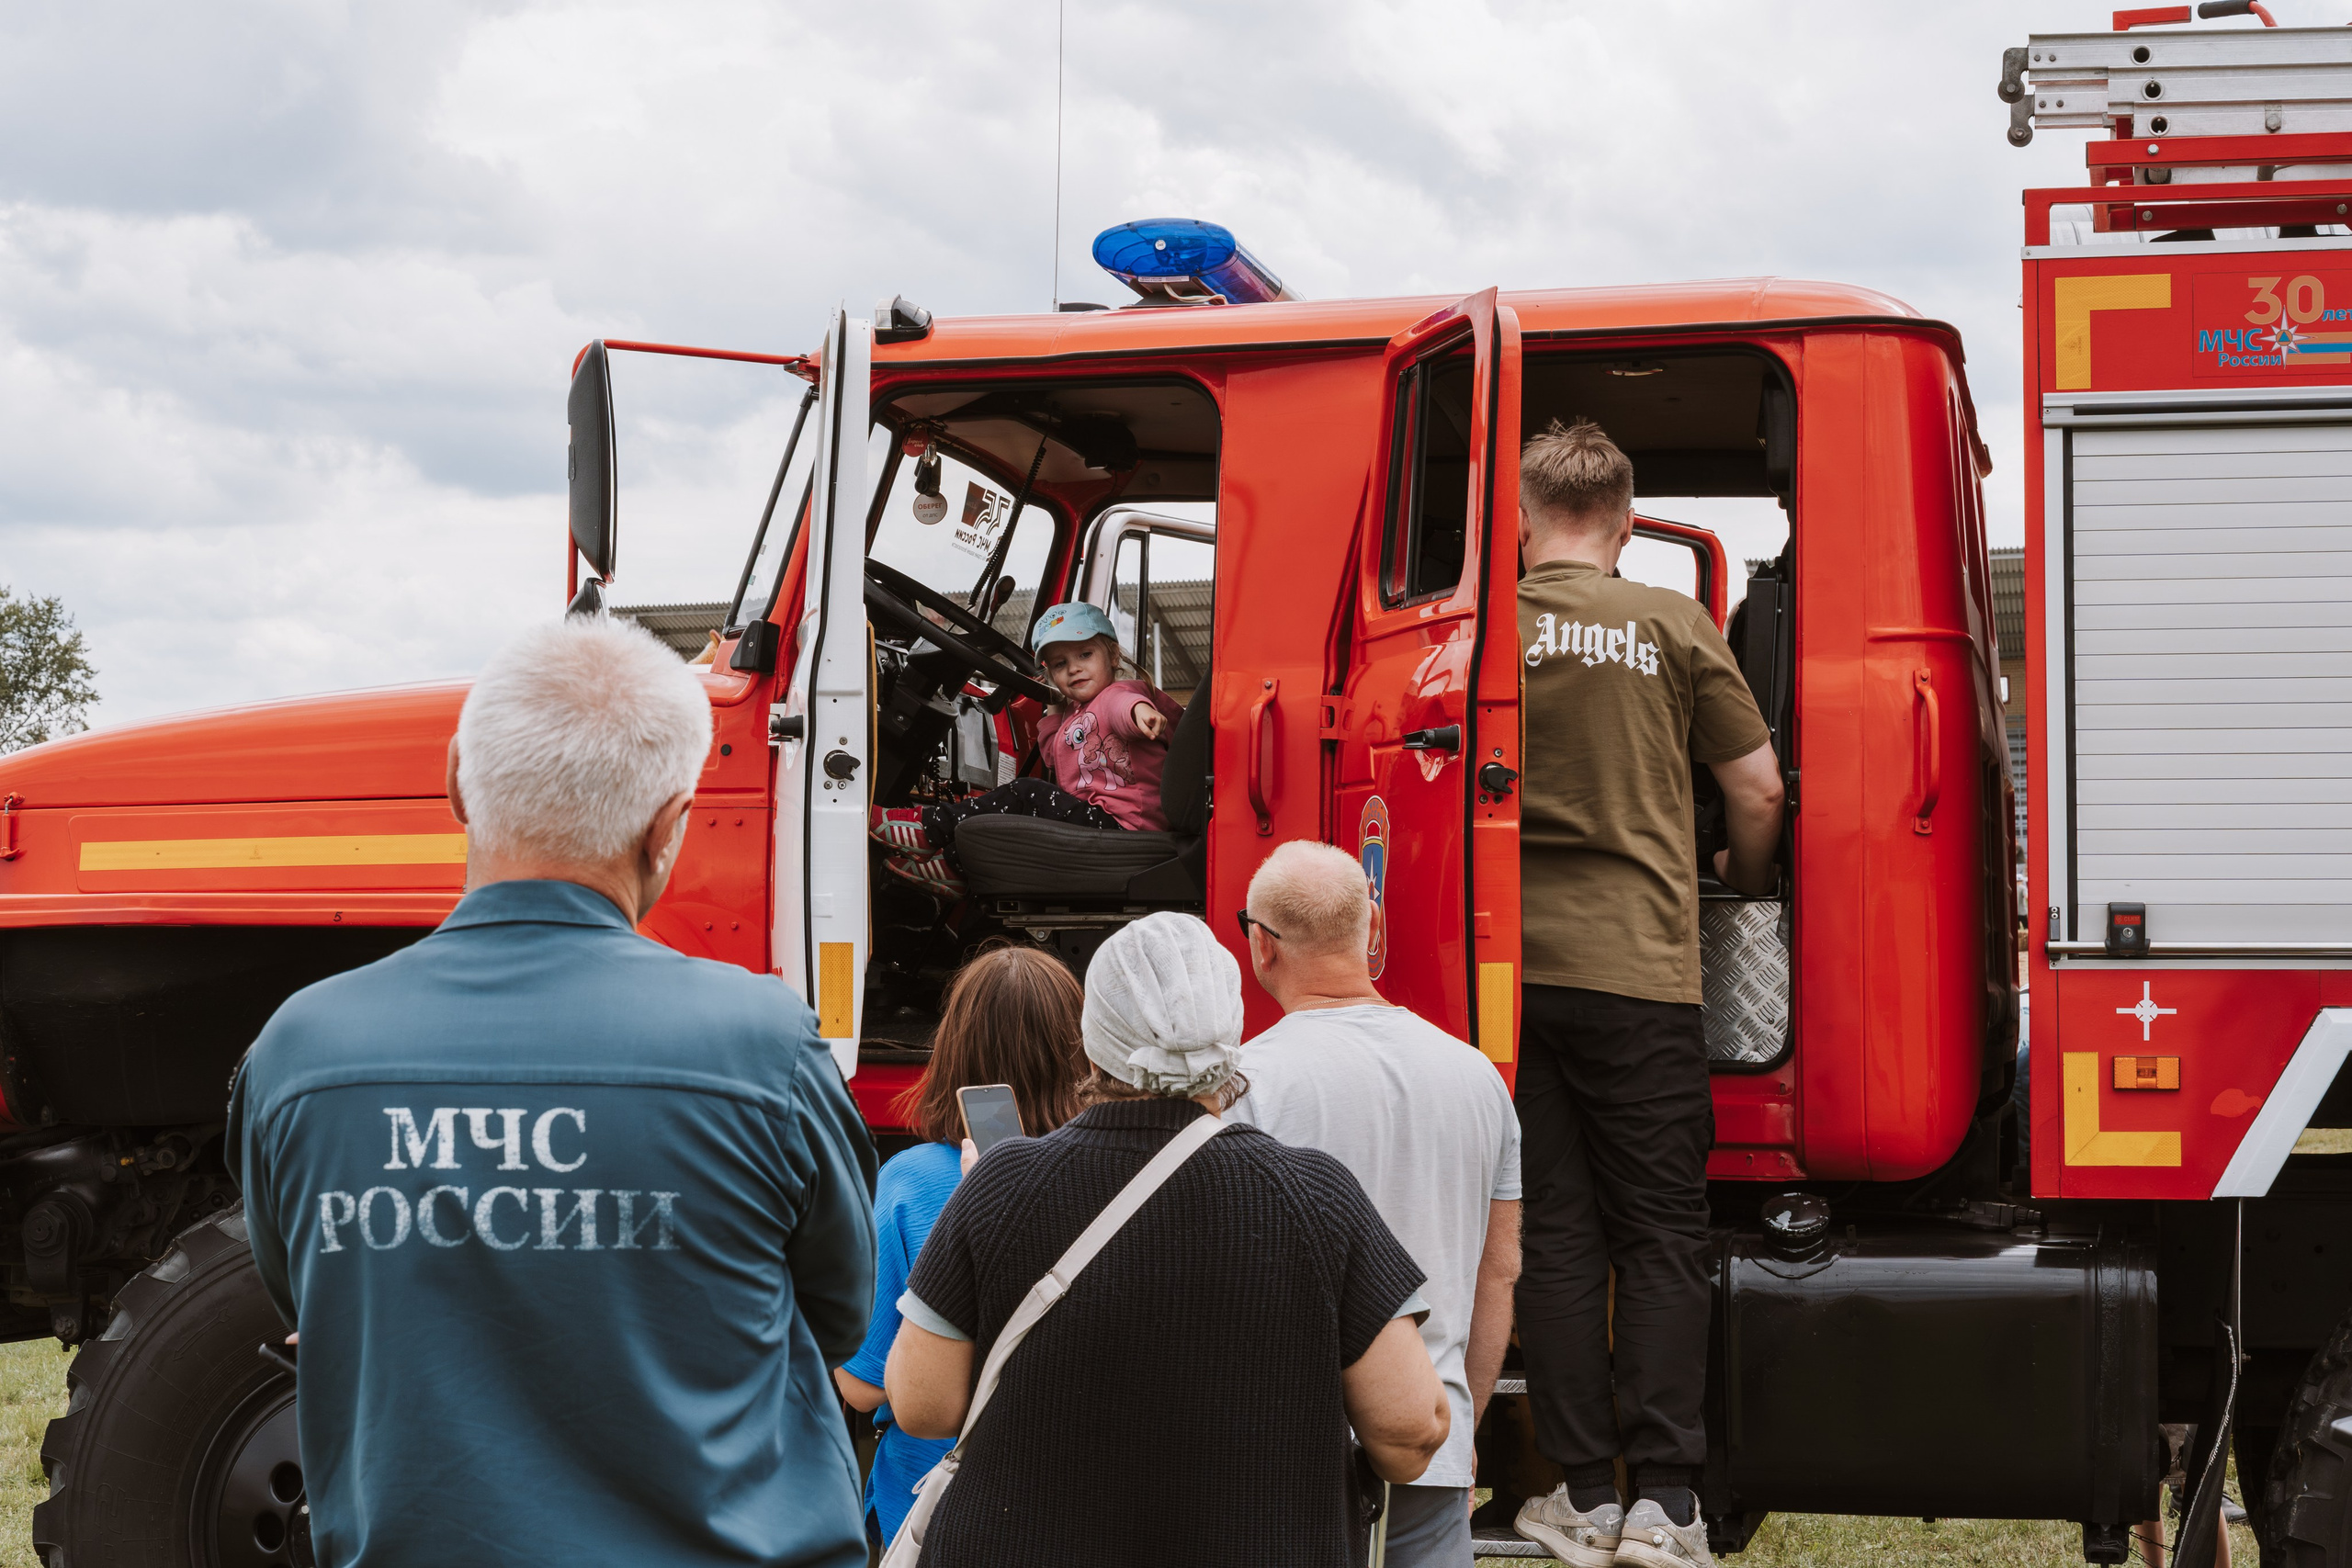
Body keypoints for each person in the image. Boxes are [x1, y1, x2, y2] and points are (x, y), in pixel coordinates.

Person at [226, 616, 878, 1568]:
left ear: (454, 779)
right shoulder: (764, 1047)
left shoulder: (300, 1052)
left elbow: (309, 1291)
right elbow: (836, 1314)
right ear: (670, 824)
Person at [881, 911, 1449, 1567]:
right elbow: (1412, 1431)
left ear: (1091, 1043)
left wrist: (977, 1207)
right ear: (1231, 1039)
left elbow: (922, 1404)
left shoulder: (1002, 1182)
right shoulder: (1316, 1196)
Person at [1510, 419, 1785, 1568]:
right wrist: (1742, 881)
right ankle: (1665, 1506)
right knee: (1662, 1234)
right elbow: (1758, 788)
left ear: (1522, 521)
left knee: (1557, 1236)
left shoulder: (1481, 633)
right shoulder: (1672, 622)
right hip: (1642, 971)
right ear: (1624, 522)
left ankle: (1578, 1491)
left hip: (1508, 980)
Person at [1227, 840, 1523, 1568]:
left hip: (1281, 1461)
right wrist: (1459, 1425)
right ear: (1375, 931)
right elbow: (1499, 1270)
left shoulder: (1242, 1083)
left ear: (1261, 946)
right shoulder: (1479, 1078)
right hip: (1430, 1451)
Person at [833, 945, 1089, 1552]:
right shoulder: (1109, 1177)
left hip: (931, 1513)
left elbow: (863, 1385)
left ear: (954, 1050)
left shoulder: (910, 1182)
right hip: (1069, 1502)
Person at [870, 601, 1183, 897]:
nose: (1074, 669)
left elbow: (1123, 707)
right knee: (1018, 816)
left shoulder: (1120, 693)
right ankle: (955, 867)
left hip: (1127, 829)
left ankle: (927, 828)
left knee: (1025, 793)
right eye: (1060, 664)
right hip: (1098, 820)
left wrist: (1140, 713)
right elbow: (1052, 757)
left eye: (1085, 655)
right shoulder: (1078, 713)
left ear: (1113, 656)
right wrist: (1053, 718)